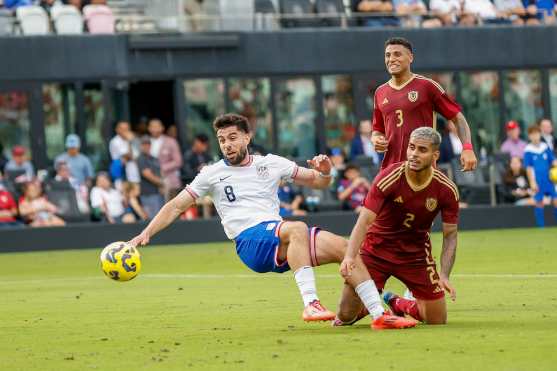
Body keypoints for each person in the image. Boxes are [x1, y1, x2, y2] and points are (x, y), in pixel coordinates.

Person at [129, 113, 416, 329]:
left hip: (279, 237)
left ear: (246, 138)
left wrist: (327, 172)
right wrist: (146, 233)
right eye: (222, 140)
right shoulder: (211, 174)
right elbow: (176, 205)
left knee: (345, 248)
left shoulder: (271, 163)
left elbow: (318, 183)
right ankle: (311, 304)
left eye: (232, 138)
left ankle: (380, 316)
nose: (227, 145)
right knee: (295, 228)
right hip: (249, 241)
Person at [337, 127, 460, 326]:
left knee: (437, 319)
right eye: (411, 147)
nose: (414, 154)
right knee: (345, 315)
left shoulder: (446, 189)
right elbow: (364, 221)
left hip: (416, 256)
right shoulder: (389, 177)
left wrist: (444, 275)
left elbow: (451, 235)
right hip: (377, 250)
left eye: (422, 150)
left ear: (435, 155)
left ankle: (397, 303)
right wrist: (350, 257)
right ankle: (371, 304)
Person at [371, 37, 477, 172]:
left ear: (410, 57)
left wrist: (467, 148)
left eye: (397, 54)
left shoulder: (427, 86)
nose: (391, 59)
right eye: (388, 55)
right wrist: (376, 140)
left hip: (423, 169)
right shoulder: (380, 92)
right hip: (391, 170)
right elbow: (377, 130)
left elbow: (458, 119)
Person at [523, 125, 557, 227]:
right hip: (537, 180)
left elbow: (553, 160)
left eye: (537, 133)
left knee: (555, 200)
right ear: (529, 136)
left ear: (539, 134)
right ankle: (541, 226)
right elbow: (528, 168)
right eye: (532, 134)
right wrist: (532, 182)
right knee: (539, 202)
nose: (535, 136)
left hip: (549, 179)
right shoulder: (528, 150)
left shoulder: (545, 147)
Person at [148, 118, 183, 200]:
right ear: (149, 128)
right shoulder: (146, 142)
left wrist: (162, 168)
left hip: (169, 180)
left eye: (157, 126)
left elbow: (178, 161)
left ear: (162, 128)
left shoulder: (171, 141)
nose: (155, 129)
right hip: (150, 182)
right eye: (152, 126)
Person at [136, 135, 165, 219]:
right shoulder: (140, 158)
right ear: (140, 146)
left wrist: (162, 185)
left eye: (148, 144)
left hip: (158, 192)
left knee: (161, 217)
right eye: (144, 144)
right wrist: (162, 183)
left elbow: (160, 172)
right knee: (152, 219)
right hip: (147, 193)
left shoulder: (154, 158)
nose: (146, 146)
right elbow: (147, 174)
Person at [108, 120, 140, 186]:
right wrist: (129, 141)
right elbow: (129, 156)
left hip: (134, 175)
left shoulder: (133, 140)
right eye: (122, 129)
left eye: (127, 129)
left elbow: (139, 156)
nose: (125, 131)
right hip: (122, 175)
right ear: (117, 130)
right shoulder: (115, 141)